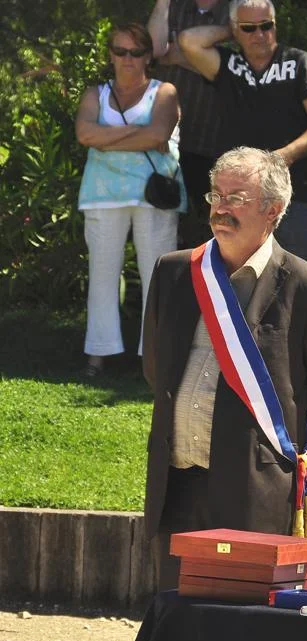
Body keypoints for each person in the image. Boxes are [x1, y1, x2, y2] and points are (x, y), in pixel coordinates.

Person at [141, 147, 307, 589]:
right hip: (176, 483)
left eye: (236, 198)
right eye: (216, 195)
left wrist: (280, 441)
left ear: (272, 210)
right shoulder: (174, 271)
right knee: (175, 617)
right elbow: (156, 367)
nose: (221, 207)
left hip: (253, 485)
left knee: (240, 622)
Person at [177, 0, 307, 261]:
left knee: (293, 274)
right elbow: (189, 41)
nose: (260, 35)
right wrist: (232, 30)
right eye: (249, 28)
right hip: (236, 197)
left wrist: (284, 156)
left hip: (288, 190)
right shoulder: (228, 64)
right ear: (235, 29)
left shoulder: (299, 62)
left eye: (266, 25)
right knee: (236, 271)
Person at [75, 22, 184, 377]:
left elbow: (159, 136)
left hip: (154, 193)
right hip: (102, 194)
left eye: (136, 52)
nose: (128, 59)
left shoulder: (164, 92)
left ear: (147, 57)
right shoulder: (96, 93)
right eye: (120, 51)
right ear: (111, 55)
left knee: (157, 275)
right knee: (102, 274)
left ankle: (153, 357)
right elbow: (84, 133)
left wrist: (105, 139)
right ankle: (98, 355)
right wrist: (138, 132)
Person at [147, 0, 228, 248]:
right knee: (162, 232)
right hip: (164, 142)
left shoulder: (234, 12)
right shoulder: (173, 7)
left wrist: (176, 56)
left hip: (210, 143)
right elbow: (154, 49)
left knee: (214, 231)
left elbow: (231, 68)